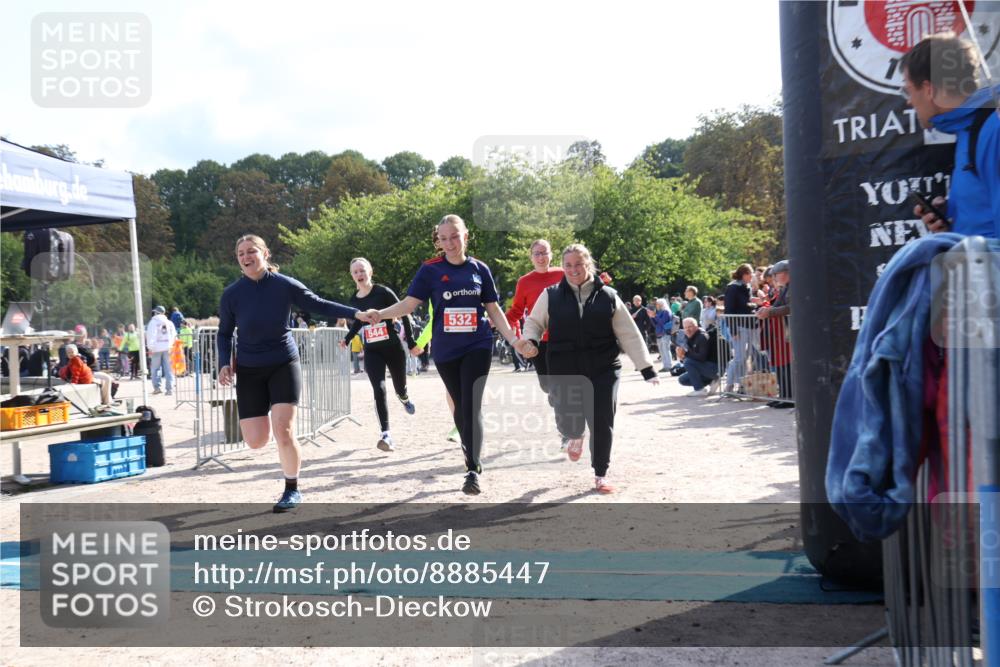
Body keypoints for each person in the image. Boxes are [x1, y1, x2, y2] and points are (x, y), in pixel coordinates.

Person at [359, 214, 520, 495]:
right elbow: (409, 304)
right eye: (443, 238)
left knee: (471, 405)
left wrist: (514, 340)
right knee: (460, 406)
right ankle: (469, 451)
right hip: (446, 350)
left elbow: (493, 309)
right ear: (438, 241)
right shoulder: (430, 269)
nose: (450, 243)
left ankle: (472, 468)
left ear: (466, 236)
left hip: (478, 344)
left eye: (455, 236)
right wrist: (380, 315)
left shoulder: (480, 269)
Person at [218, 234, 358, 512]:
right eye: (241, 254)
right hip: (249, 369)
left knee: (284, 429)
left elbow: (319, 304)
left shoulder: (284, 285)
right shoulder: (232, 294)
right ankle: (274, 434)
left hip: (283, 362)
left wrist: (358, 312)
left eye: (252, 252)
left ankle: (292, 488)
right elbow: (223, 334)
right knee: (256, 441)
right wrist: (224, 362)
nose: (246, 257)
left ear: (265, 253)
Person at [518, 243, 658, 494]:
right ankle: (574, 434)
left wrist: (646, 367)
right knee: (567, 417)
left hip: (603, 366)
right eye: (568, 265)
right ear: (563, 266)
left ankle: (600, 474)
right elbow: (534, 323)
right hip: (564, 367)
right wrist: (530, 342)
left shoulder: (608, 296)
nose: (573, 270)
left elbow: (629, 333)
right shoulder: (551, 295)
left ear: (588, 265)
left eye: (579, 264)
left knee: (602, 419)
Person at [902, 34, 999, 238]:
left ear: (929, 89)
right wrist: (955, 219)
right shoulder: (970, 128)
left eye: (907, 91)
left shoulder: (993, 128)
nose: (908, 101)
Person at [342, 257, 418, 452]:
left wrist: (411, 342)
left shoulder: (383, 292)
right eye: (355, 272)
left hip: (393, 348)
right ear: (352, 276)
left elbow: (404, 313)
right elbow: (359, 322)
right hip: (373, 350)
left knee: (399, 387)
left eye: (362, 270)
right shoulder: (354, 300)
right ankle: (386, 434)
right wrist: (348, 338)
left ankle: (404, 397)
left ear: (370, 272)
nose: (359, 274)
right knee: (379, 389)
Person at [504, 239, 566, 440]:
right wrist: (495, 323)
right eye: (537, 254)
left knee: (561, 387)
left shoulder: (563, 274)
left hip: (564, 339)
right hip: (537, 341)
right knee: (548, 386)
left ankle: (566, 431)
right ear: (531, 257)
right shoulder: (524, 281)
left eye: (544, 253)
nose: (541, 257)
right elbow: (516, 311)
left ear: (551, 255)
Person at [756, 259, 793, 408]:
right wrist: (765, 309)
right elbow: (777, 306)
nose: (775, 277)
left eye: (776, 274)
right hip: (782, 332)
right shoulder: (785, 288)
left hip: (790, 331)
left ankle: (790, 397)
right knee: (781, 366)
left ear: (785, 273)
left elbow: (791, 308)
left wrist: (769, 312)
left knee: (787, 366)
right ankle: (784, 395)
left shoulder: (794, 287)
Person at [723, 263, 755, 393]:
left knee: (745, 357)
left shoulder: (747, 287)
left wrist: (754, 303)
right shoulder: (732, 288)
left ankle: (741, 385)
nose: (752, 277)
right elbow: (729, 309)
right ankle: (729, 385)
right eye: (750, 274)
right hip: (739, 326)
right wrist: (733, 330)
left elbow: (745, 304)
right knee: (739, 358)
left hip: (749, 325)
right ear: (744, 274)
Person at [675, 317, 719, 397]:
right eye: (685, 327)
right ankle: (711, 381)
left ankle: (699, 389)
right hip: (705, 369)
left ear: (696, 326)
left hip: (715, 368)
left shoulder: (702, 336)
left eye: (690, 327)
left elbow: (702, 357)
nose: (687, 330)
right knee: (682, 380)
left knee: (688, 362)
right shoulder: (688, 337)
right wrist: (681, 355)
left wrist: (685, 354)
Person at [146, 306, 177, 396]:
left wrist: (150, 347)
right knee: (169, 369)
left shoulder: (153, 322)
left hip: (156, 349)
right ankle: (169, 389)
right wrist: (171, 345)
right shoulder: (169, 322)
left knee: (155, 369)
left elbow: (151, 335)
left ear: (155, 313)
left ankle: (157, 388)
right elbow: (174, 335)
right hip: (168, 348)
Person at [650, 298, 674, 372]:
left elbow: (662, 322)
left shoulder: (666, 312)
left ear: (661, 304)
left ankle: (669, 366)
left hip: (665, 333)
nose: (656, 305)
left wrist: (655, 316)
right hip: (659, 333)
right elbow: (655, 324)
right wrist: (651, 317)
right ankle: (665, 366)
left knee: (666, 349)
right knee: (661, 351)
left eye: (657, 304)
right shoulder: (659, 312)